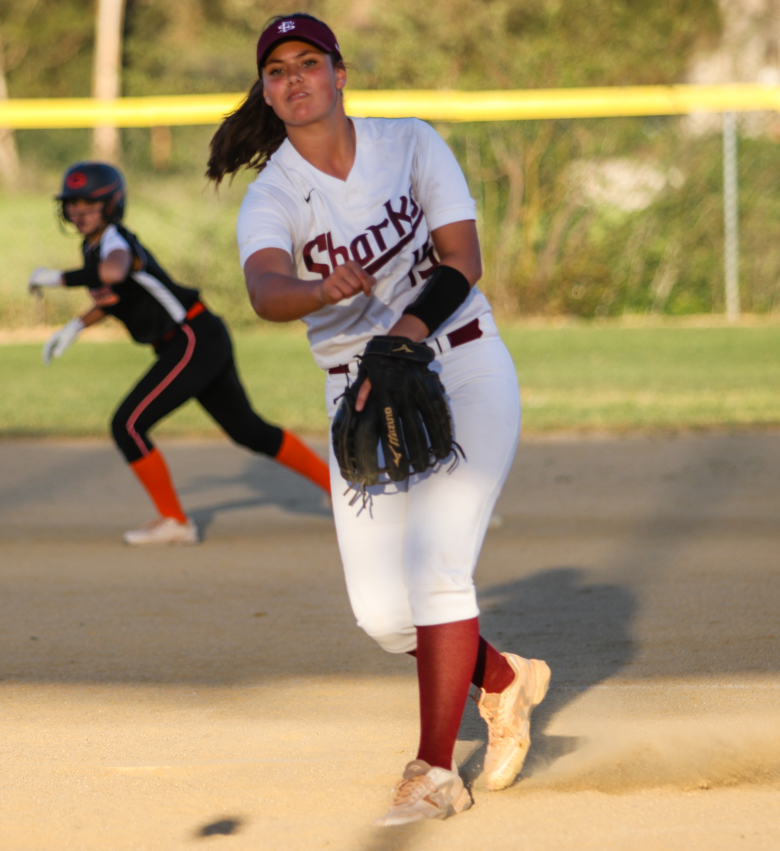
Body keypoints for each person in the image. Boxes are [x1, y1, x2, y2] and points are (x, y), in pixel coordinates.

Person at [207, 13, 551, 825]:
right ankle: (503, 680)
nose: (294, 79)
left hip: (459, 358)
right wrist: (319, 290)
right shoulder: (276, 192)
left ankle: (434, 770)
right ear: (267, 89)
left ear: (339, 72)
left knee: (437, 564)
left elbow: (462, 258)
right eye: (277, 70)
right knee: (384, 614)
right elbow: (263, 288)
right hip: (358, 393)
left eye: (309, 62)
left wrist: (404, 332)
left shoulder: (411, 143)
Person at [28, 161, 331, 545]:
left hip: (191, 338)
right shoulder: (93, 246)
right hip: (198, 337)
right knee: (248, 431)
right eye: (72, 203)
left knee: (128, 425)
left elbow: (115, 273)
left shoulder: (115, 241)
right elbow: (118, 295)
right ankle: (338, 491)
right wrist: (75, 326)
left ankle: (175, 521)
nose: (77, 211)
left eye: (89, 202)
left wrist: (56, 278)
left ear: (111, 204)